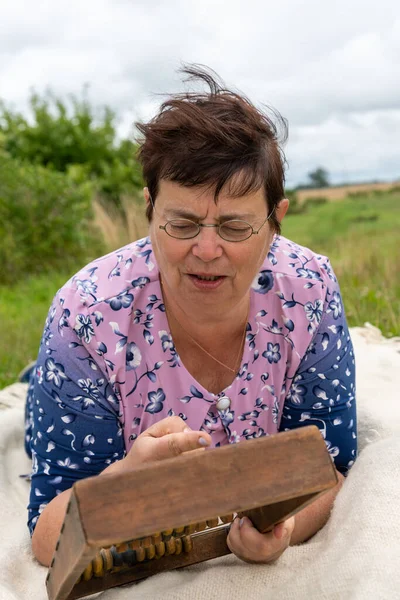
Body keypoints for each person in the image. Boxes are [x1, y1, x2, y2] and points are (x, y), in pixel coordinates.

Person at [24, 65, 357, 568]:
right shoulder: (85, 317)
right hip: (78, 369)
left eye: (234, 227)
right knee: (41, 389)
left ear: (275, 222)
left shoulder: (309, 291)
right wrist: (127, 483)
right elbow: (49, 536)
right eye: (181, 224)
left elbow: (327, 467)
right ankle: (39, 377)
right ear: (149, 210)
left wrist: (284, 527)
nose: (206, 250)